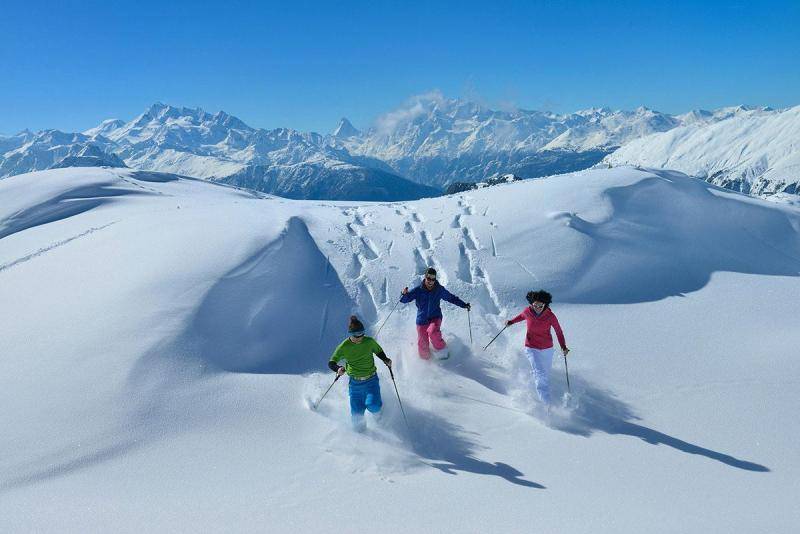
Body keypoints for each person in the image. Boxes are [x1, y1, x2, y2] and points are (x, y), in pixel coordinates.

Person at [328, 315, 392, 431]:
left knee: (373, 405)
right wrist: (338, 368)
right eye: (357, 335)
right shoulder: (344, 347)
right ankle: (361, 438)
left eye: (362, 333)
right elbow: (331, 362)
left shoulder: (369, 342)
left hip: (371, 380)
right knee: (357, 415)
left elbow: (378, 351)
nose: (360, 337)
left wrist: (386, 359)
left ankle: (381, 421)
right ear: (351, 334)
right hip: (355, 384)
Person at [506, 290, 569, 405]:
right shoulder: (528, 311)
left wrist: (563, 346)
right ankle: (546, 404)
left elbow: (558, 332)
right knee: (539, 373)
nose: (538, 308)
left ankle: (542, 393)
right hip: (531, 347)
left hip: (547, 349)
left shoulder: (550, 316)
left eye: (541, 305)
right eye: (535, 305)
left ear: (545, 304)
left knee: (544, 373)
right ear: (531, 304)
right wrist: (511, 322)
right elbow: (521, 316)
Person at [401, 267, 470, 359]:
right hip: (422, 319)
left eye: (433, 279)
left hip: (435, 317)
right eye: (429, 278)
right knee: (422, 342)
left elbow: (451, 298)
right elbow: (405, 299)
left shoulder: (439, 289)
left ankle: (443, 351)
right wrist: (404, 294)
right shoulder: (418, 290)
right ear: (425, 277)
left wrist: (464, 305)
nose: (430, 281)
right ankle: (426, 360)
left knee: (432, 332)